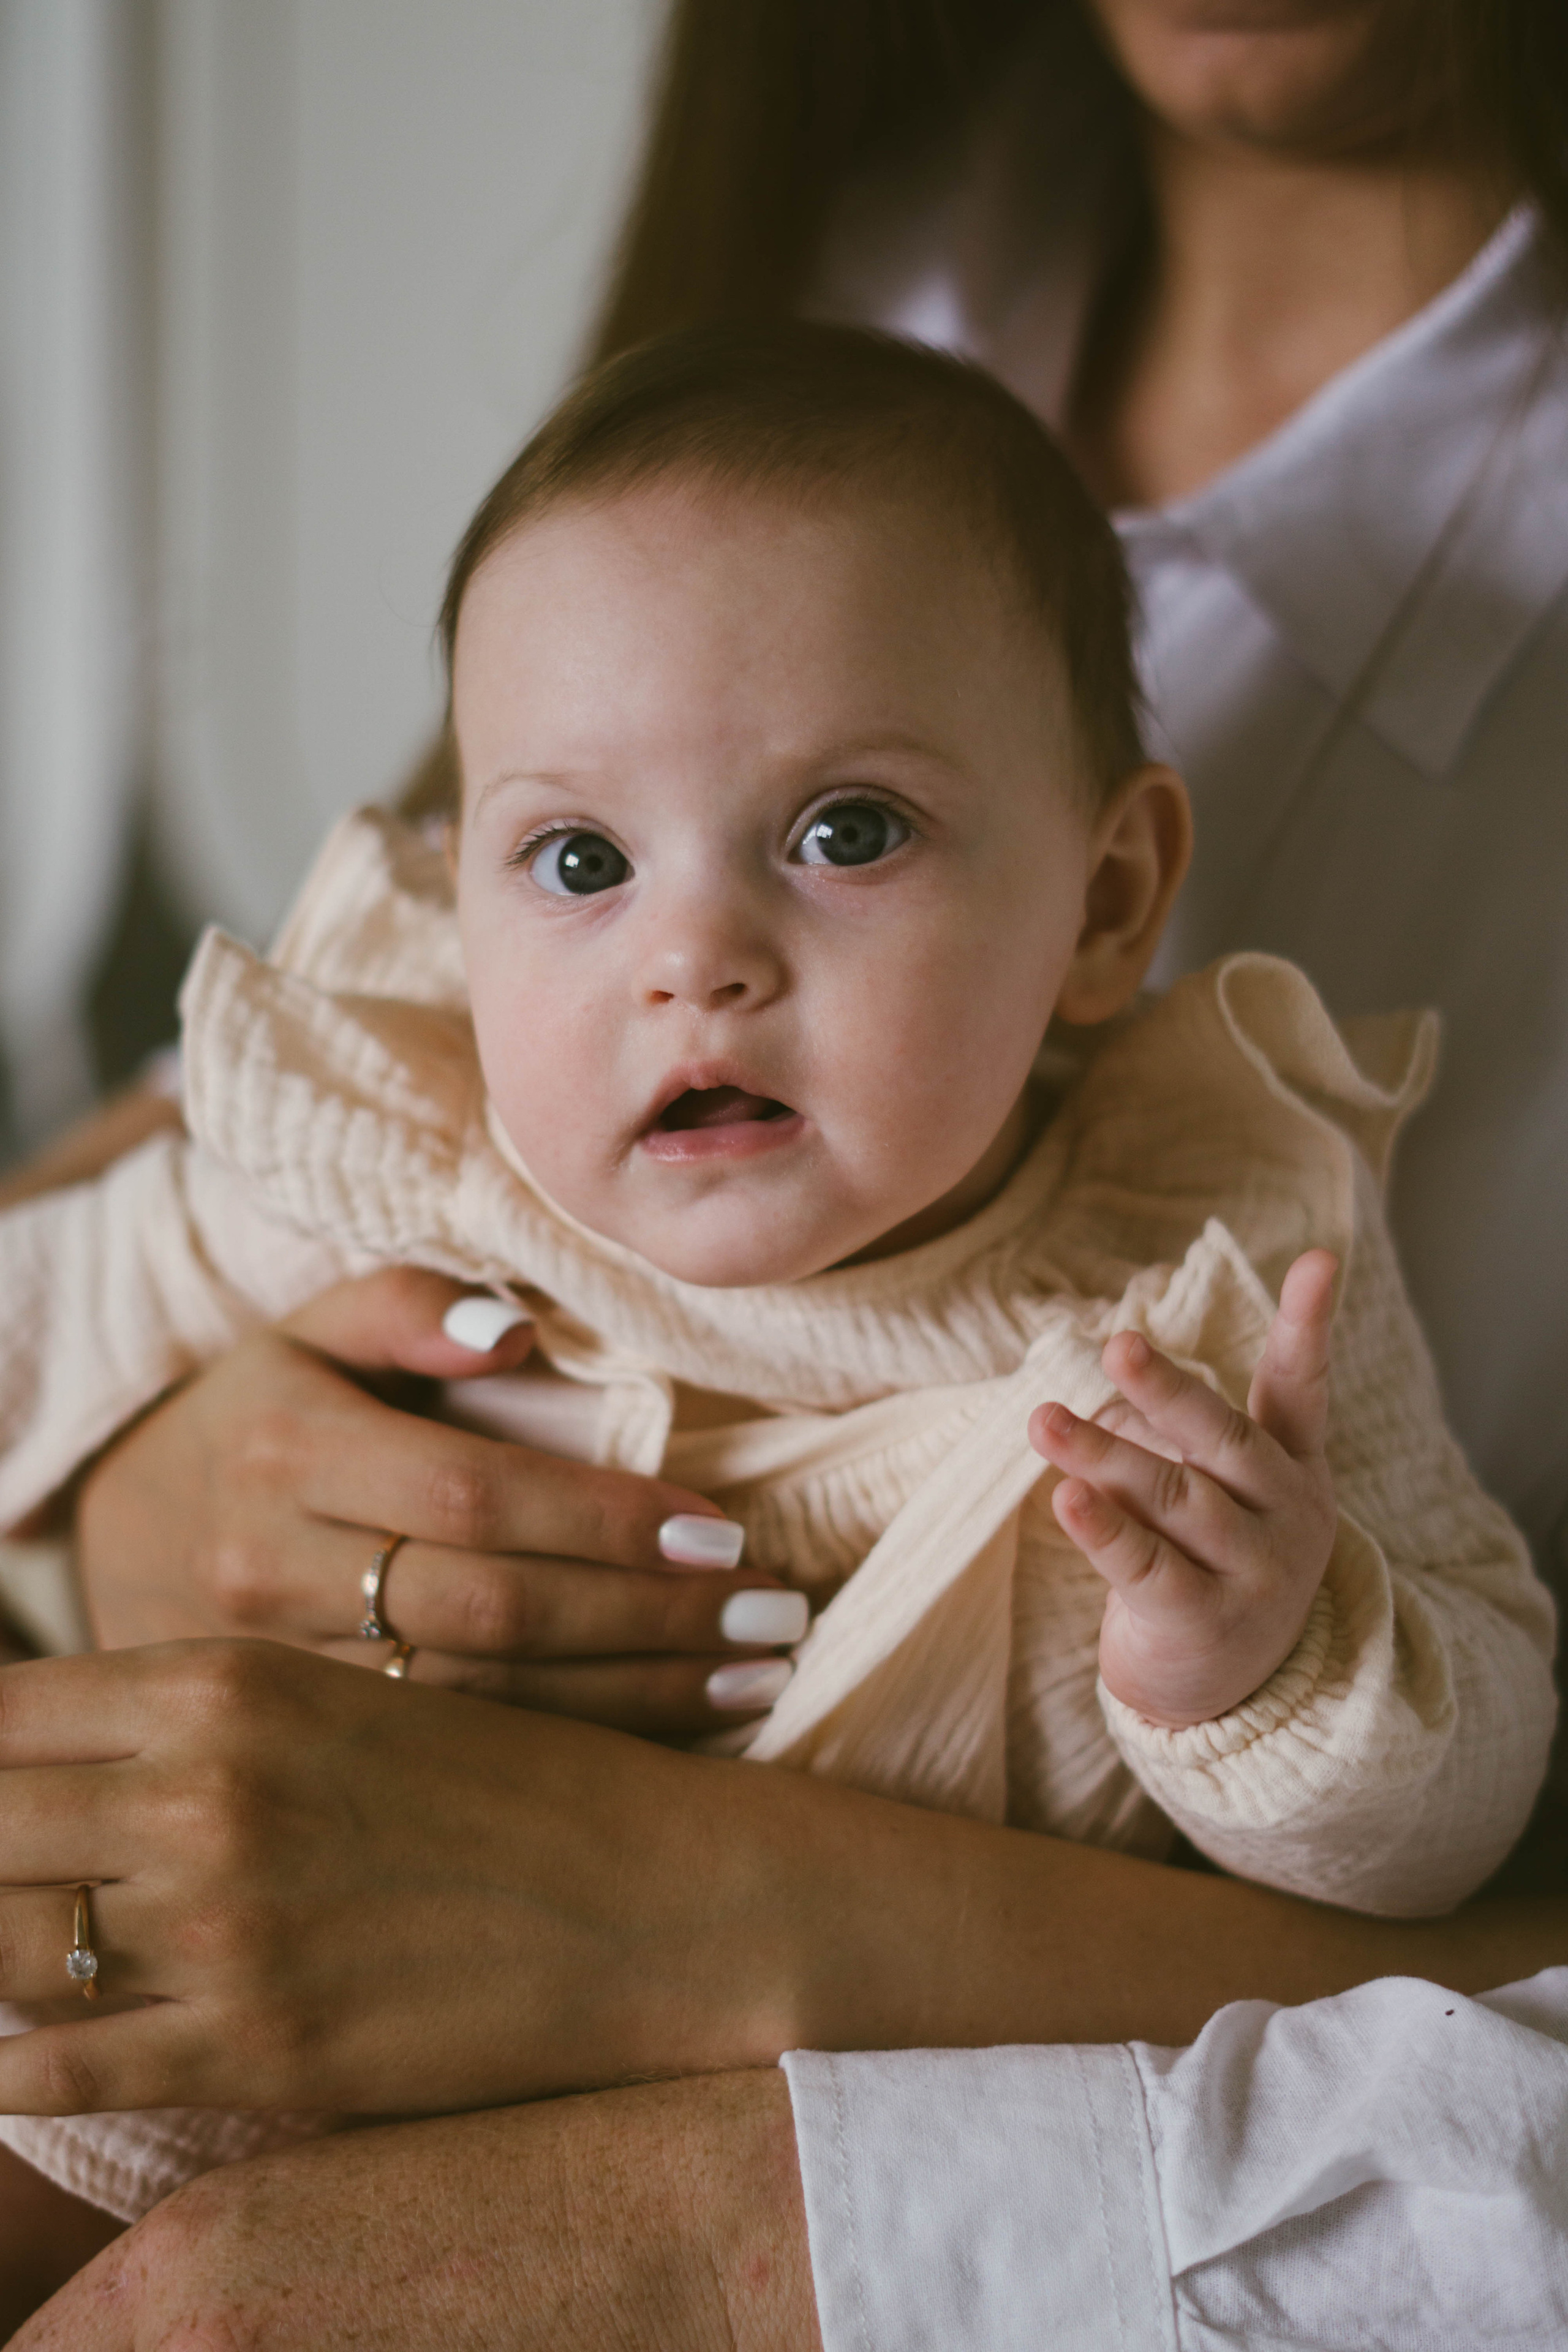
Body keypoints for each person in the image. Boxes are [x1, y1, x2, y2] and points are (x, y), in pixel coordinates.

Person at [5, 0, 1568, 2343]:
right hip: (208, 2018)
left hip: (828, 2153)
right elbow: (59, 1284)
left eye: (846, 836)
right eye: (578, 859)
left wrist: (1262, 1658)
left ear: (1113, 906)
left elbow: (1452, 1781)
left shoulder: (1219, 1275)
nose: (692, 959)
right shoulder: (422, 1123)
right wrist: (125, 1481)